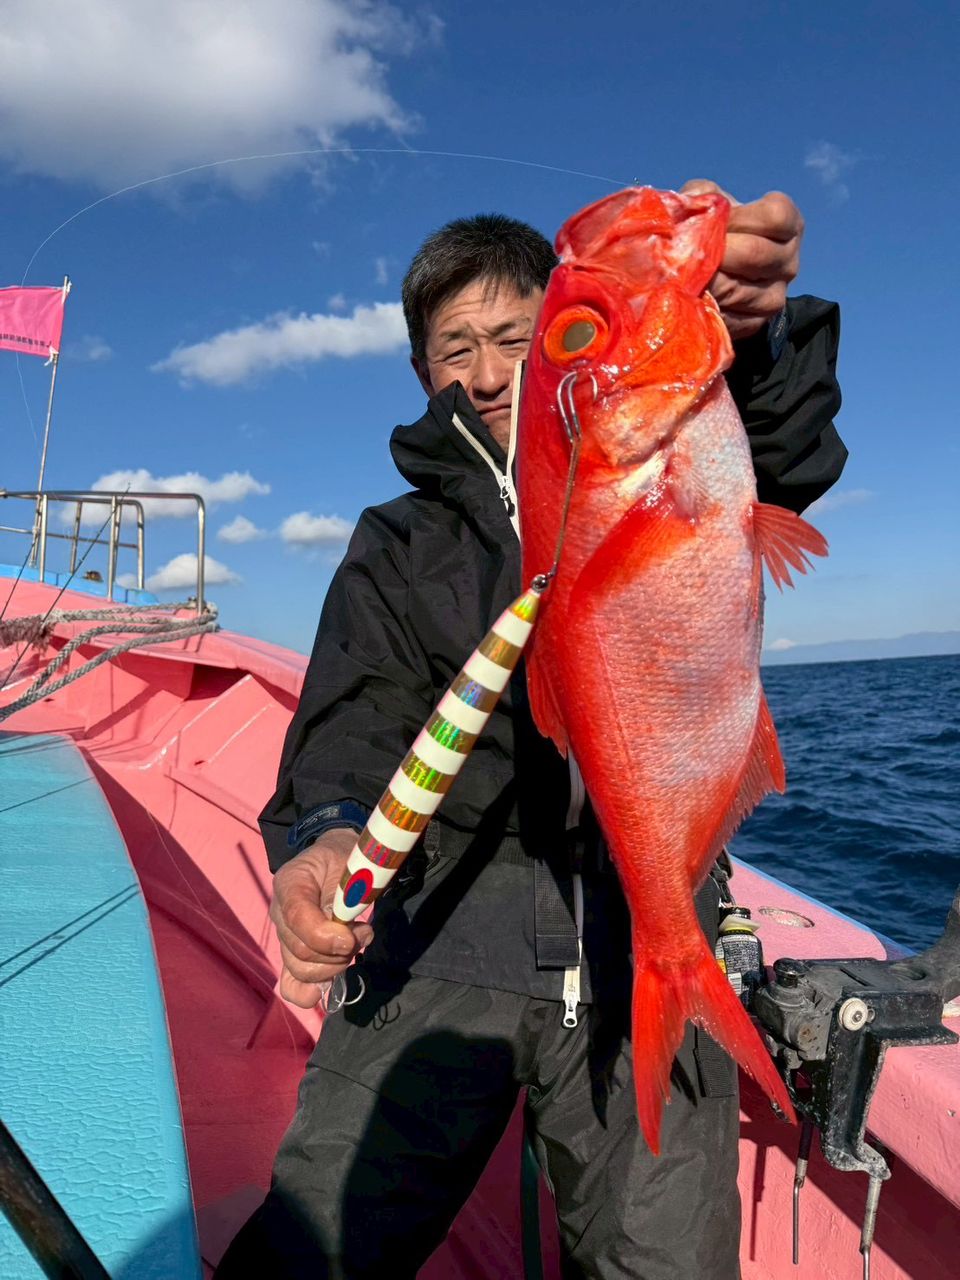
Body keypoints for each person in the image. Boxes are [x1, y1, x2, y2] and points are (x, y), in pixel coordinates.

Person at [217, 180, 846, 1279]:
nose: (487, 367)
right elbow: (350, 723)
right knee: (314, 1243)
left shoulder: (658, 438)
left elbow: (779, 444)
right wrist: (321, 835)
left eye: (518, 333)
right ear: (425, 376)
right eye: (453, 346)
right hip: (442, 936)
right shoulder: (396, 540)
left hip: (641, 918)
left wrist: (761, 330)